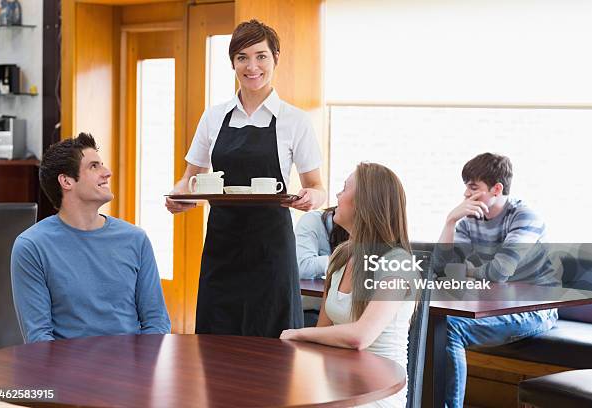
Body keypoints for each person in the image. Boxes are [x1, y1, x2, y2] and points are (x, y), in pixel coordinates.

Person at [166, 20, 326, 338]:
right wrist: (178, 197)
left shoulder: (295, 120)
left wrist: (309, 198)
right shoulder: (214, 117)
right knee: (216, 348)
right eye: (242, 57)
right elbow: (189, 179)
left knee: (273, 350)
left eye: (260, 56)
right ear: (233, 63)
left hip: (272, 253)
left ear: (275, 58)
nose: (251, 66)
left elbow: (317, 187)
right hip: (222, 248)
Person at [280, 162, 419, 408]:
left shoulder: (398, 264)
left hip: (378, 393)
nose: (337, 196)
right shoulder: (340, 256)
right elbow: (321, 333)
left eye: (344, 189)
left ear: (365, 203)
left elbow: (360, 337)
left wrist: (297, 333)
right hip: (338, 384)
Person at [11, 133, 171, 343]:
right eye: (94, 166)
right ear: (66, 181)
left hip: (131, 371)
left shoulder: (135, 239)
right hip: (67, 373)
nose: (108, 173)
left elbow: (156, 321)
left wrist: (142, 370)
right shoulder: (32, 246)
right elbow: (39, 337)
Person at [435, 152, 561, 407]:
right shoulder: (468, 219)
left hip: (536, 310)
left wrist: (469, 270)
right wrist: (450, 221)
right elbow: (445, 269)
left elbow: (498, 273)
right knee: (429, 321)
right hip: (492, 306)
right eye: (466, 187)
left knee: (449, 327)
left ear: (496, 189)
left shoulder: (525, 217)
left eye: (473, 187)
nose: (466, 195)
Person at [295, 207, 349, 326]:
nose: (338, 195)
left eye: (345, 190)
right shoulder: (315, 220)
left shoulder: (386, 254)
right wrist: (341, 260)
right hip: (311, 311)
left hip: (347, 319)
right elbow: (302, 266)